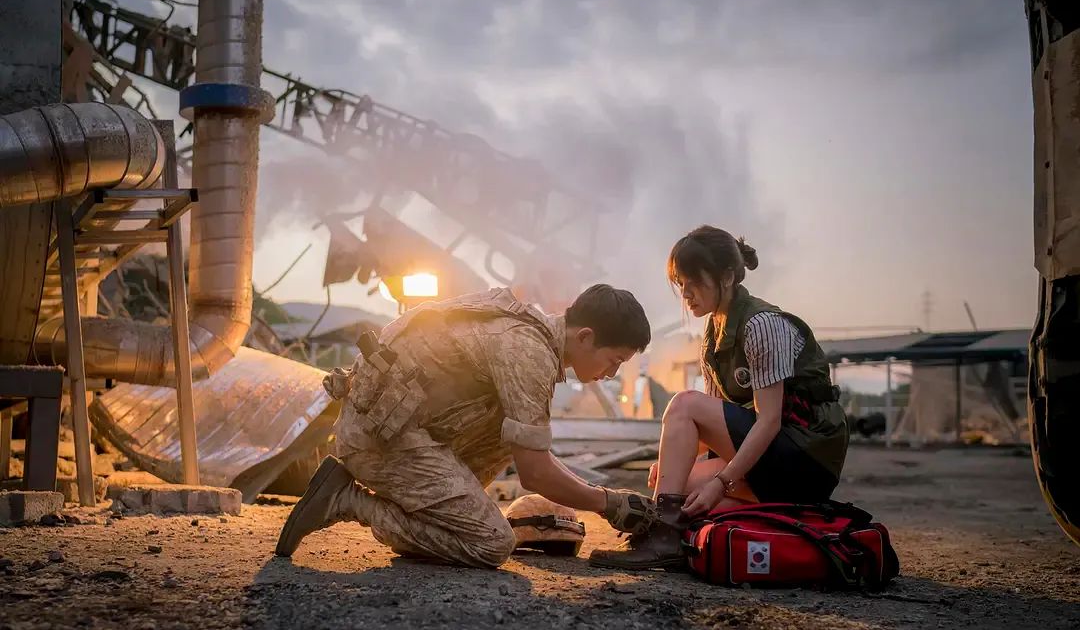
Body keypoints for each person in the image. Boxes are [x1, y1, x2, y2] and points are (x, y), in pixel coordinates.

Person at [275, 284, 658, 568]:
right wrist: (609, 503)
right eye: (615, 360)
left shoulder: (530, 333)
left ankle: (430, 506)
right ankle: (346, 500)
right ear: (586, 336)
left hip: (396, 428)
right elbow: (536, 473)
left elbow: (531, 453)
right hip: (378, 439)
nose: (612, 373)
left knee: (518, 432)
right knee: (489, 543)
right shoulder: (528, 352)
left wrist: (602, 497)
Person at [590, 225, 848, 570]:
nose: (685, 293)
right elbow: (713, 425)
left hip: (805, 459)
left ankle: (661, 536)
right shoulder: (714, 333)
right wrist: (672, 464)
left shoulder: (762, 324)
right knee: (681, 492)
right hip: (773, 463)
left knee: (684, 403)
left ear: (726, 276)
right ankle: (672, 537)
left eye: (693, 281)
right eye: (680, 283)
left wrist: (721, 481)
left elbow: (769, 422)